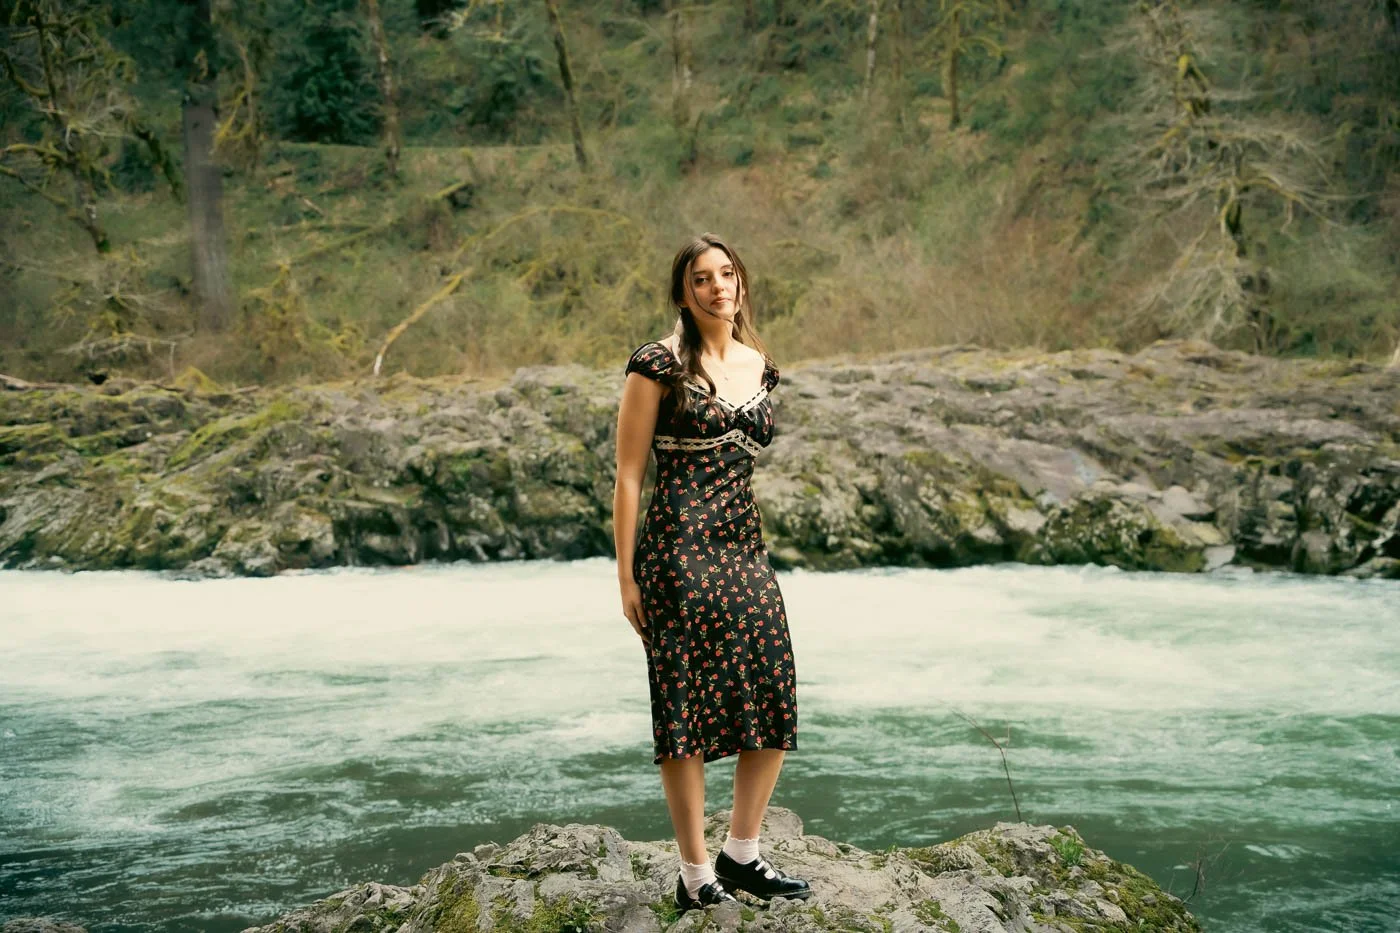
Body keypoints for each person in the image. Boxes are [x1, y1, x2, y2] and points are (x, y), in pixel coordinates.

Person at [613, 233, 812, 912]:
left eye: (727, 274)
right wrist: (626, 575)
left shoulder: (762, 366)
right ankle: (696, 872)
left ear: (742, 284)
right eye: (701, 278)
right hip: (676, 551)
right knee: (684, 709)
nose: (717, 286)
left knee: (774, 689)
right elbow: (630, 473)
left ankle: (742, 851)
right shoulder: (657, 365)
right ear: (683, 291)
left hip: (743, 549)